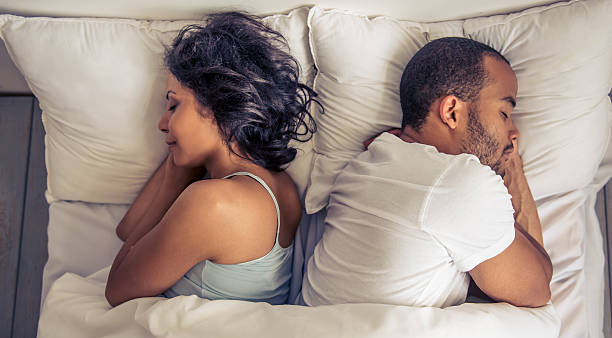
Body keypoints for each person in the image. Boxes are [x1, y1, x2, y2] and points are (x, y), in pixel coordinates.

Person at [300, 37, 552, 308]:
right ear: (452, 111)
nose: (513, 133)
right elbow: (537, 289)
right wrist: (513, 171)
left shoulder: (365, 164)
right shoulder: (461, 182)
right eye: (504, 113)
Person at [105, 12, 318, 307]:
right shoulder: (280, 185)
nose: (162, 124)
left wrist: (177, 177)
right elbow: (128, 232)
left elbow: (117, 289)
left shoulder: (213, 202)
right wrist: (179, 166)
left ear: (221, 107)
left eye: (174, 105)